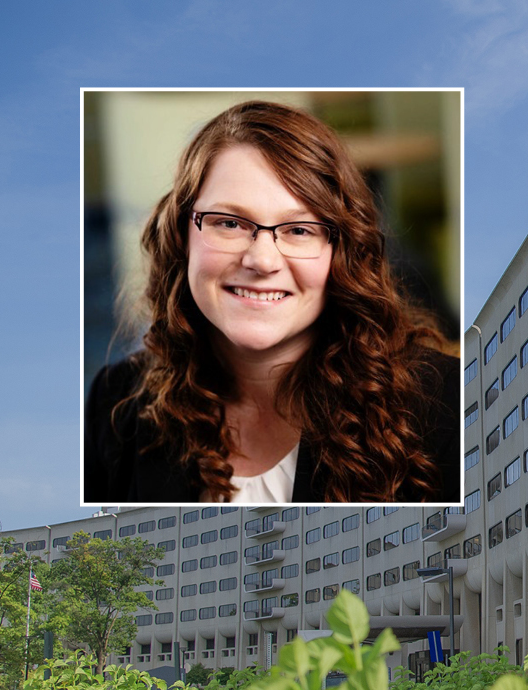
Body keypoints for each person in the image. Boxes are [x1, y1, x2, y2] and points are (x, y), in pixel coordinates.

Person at [85, 100, 460, 503]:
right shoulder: (116, 402)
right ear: (181, 235)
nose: (262, 260)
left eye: (299, 229)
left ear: (342, 251)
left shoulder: (451, 405)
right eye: (229, 223)